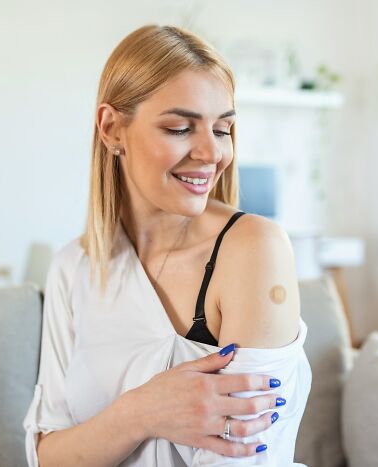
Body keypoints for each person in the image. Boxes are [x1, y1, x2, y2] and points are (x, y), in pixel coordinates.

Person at [22, 24, 312, 467]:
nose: (211, 153)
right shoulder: (73, 267)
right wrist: (141, 412)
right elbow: (48, 456)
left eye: (222, 130)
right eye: (180, 128)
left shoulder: (252, 250)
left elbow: (249, 457)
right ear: (111, 128)